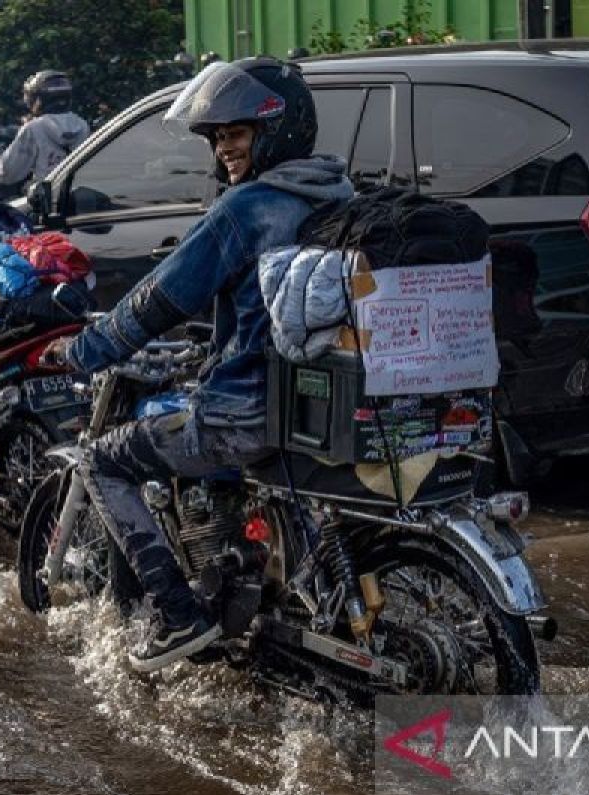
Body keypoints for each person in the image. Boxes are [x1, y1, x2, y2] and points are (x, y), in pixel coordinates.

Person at [42, 57, 354, 672]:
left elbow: (159, 299)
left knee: (104, 459)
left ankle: (180, 617)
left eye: (235, 133)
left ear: (276, 129)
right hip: (318, 403)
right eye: (216, 137)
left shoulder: (248, 208)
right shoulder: (336, 189)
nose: (224, 148)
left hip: (248, 410)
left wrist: (86, 349)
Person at [0, 70, 89, 188]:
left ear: (38, 99)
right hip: (76, 194)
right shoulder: (82, 125)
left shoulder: (34, 128)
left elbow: (7, 174)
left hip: (48, 198)